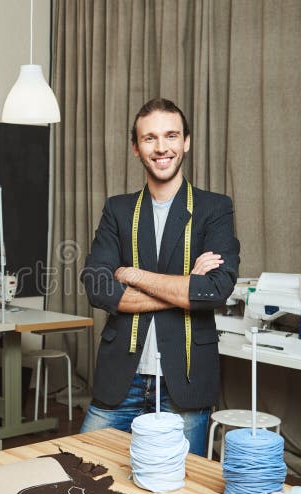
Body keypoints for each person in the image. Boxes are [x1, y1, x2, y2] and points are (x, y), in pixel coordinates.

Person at [79, 98, 240, 456]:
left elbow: (215, 290)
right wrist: (184, 287)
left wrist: (133, 275)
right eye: (149, 138)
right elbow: (98, 285)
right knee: (78, 467)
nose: (161, 147)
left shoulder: (214, 208)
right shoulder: (117, 210)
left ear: (186, 142)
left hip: (185, 380)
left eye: (171, 136)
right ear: (136, 148)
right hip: (122, 377)